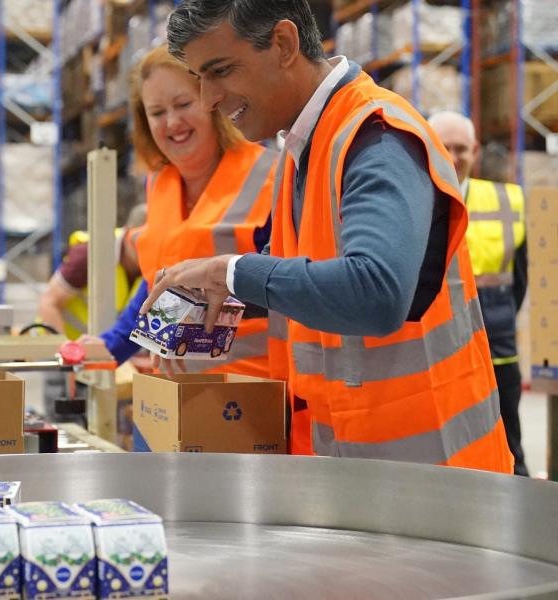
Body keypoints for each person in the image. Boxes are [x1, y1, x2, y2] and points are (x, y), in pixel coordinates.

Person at [144, 0, 513, 473]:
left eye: (219, 71)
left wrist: (231, 272)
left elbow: (376, 293)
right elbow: (306, 280)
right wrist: (207, 296)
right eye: (199, 77)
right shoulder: (304, 149)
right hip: (358, 468)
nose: (208, 98)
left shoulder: (377, 137)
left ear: (283, 44)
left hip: (436, 477)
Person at [81, 44, 277, 379]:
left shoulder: (271, 176)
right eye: (156, 113)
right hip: (176, 390)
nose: (172, 122)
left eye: (183, 104)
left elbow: (292, 285)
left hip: (255, 393)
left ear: (213, 101)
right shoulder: (159, 184)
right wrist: (111, 347)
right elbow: (159, 286)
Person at [429, 110, 529, 476]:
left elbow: (520, 278)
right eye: (444, 147)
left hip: (496, 351)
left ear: (474, 151)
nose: (453, 158)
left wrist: (497, 319)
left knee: (508, 447)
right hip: (433, 354)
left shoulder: (509, 201)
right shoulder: (410, 197)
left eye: (461, 149)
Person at [36, 205, 146, 340]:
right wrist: (66, 351)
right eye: (145, 243)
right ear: (129, 234)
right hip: (57, 347)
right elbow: (49, 303)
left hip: (96, 349)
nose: (150, 251)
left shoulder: (149, 265)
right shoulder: (90, 253)